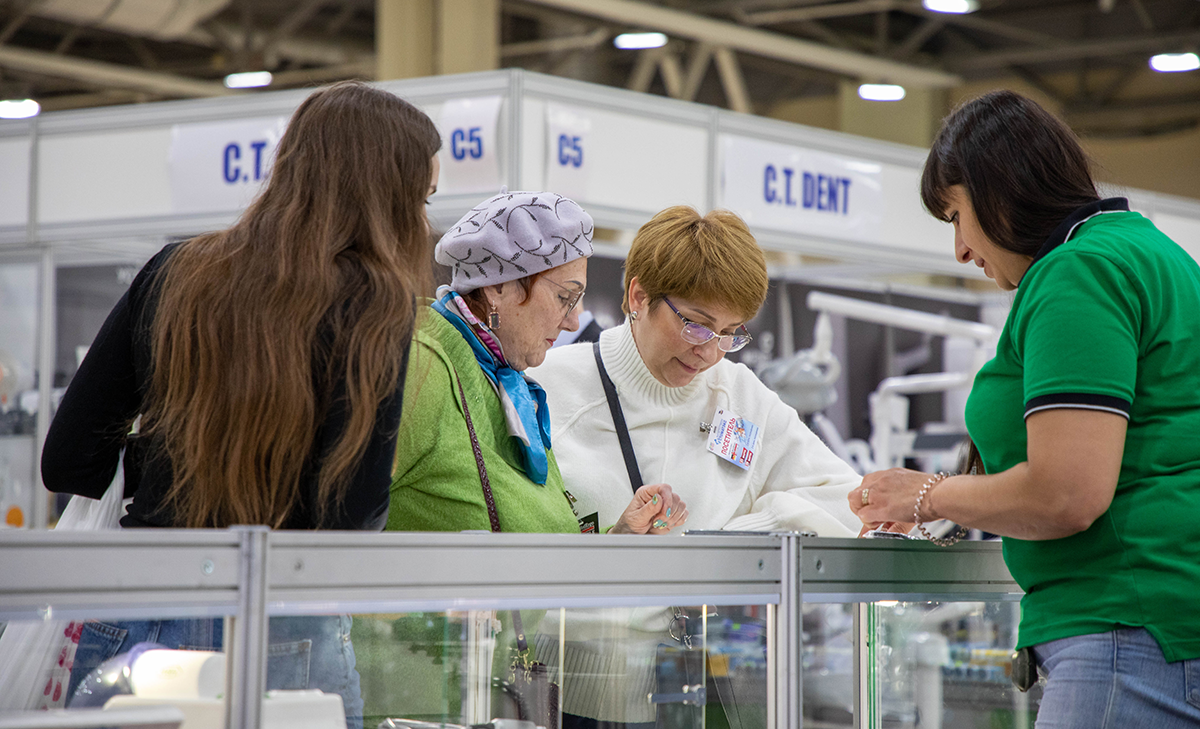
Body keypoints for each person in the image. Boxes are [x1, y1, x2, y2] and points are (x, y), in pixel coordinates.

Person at [41, 81, 442, 727]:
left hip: (135, 616)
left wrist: (172, 459)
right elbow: (351, 517)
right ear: (383, 197)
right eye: (421, 199)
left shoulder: (175, 271)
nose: (424, 223)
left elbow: (68, 463)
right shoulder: (374, 304)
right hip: (284, 628)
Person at [849, 90, 1200, 728]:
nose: (960, 249)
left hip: (1126, 632)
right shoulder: (1150, 254)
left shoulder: (1080, 272)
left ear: (1001, 191)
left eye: (956, 216)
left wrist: (926, 494)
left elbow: (1065, 493)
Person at [528, 206, 862, 729]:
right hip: (559, 695)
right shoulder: (551, 387)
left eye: (730, 332)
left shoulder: (741, 398)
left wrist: (728, 540)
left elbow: (849, 499)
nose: (710, 352)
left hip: (689, 697)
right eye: (696, 325)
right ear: (638, 297)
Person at [386, 190, 683, 534]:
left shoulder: (510, 383)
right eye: (564, 297)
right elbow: (339, 520)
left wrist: (619, 537)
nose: (573, 322)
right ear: (498, 286)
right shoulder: (421, 368)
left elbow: (541, 540)